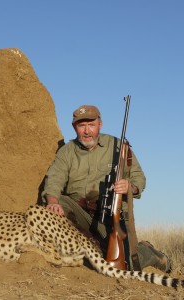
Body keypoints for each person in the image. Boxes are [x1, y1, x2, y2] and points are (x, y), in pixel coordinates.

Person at [42, 104, 171, 272]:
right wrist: (52, 201)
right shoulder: (66, 152)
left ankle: (151, 253)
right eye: (82, 126)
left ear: (100, 125)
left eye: (91, 125)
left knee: (126, 265)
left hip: (109, 215)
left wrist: (129, 187)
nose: (87, 131)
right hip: (79, 214)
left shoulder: (119, 147)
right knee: (59, 204)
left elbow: (140, 179)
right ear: (75, 127)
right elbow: (54, 181)